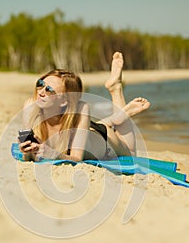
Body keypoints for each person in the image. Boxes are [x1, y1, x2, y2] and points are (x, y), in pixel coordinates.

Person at [19, 52, 150, 162]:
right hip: (84, 130)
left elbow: (77, 158)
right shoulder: (30, 107)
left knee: (131, 154)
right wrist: (26, 149)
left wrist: (53, 154)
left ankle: (116, 88)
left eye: (49, 90)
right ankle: (119, 115)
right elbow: (28, 156)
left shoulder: (82, 109)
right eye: (40, 83)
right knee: (93, 125)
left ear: (64, 101)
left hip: (104, 138)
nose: (41, 91)